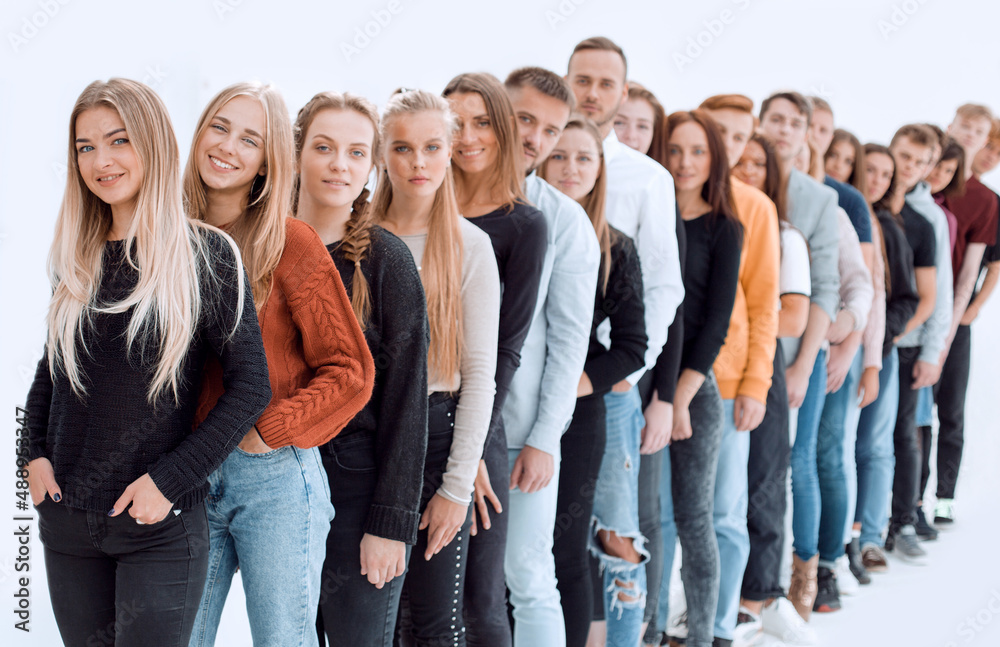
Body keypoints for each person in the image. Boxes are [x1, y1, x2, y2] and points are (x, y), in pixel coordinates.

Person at [25, 78, 273, 647]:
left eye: (118, 141)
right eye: (85, 147)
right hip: (68, 523)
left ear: (154, 144)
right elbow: (52, 369)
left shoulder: (207, 255)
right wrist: (31, 456)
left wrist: (169, 481)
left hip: (157, 525)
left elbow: (251, 387)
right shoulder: (75, 253)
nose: (101, 161)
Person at [184, 82, 376, 647]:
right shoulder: (167, 234)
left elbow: (350, 369)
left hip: (273, 480)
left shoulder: (291, 241)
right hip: (186, 475)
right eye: (219, 127)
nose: (228, 147)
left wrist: (270, 430)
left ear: (270, 161)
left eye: (251, 139)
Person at [293, 91, 430, 647]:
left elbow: (407, 402)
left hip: (356, 487)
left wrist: (389, 524)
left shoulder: (386, 261)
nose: (338, 165)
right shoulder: (258, 247)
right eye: (324, 147)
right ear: (296, 151)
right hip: (272, 484)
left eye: (355, 152)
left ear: (371, 166)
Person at [566, 37, 684, 647]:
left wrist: (626, 376)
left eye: (605, 83)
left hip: (608, 381)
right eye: (582, 79)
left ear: (623, 93)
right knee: (552, 534)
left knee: (616, 531)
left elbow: (664, 287)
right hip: (538, 379)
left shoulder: (646, 178)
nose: (591, 92)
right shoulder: (542, 165)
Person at [374, 88, 500, 647]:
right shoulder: (356, 240)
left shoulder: (471, 248)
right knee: (367, 616)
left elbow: (479, 378)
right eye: (402, 148)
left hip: (436, 442)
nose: (418, 162)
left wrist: (454, 486)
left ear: (450, 150)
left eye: (430, 147)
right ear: (382, 154)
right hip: (360, 440)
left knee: (432, 623)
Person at [441, 72, 548, 647]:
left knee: (480, 595)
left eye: (482, 122)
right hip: (406, 419)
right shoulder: (412, 210)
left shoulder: (523, 225)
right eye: (455, 122)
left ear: (503, 131)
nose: (468, 136)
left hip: (479, 419)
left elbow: (507, 347)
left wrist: (474, 445)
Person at [539, 115, 647, 647]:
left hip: (580, 411)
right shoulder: (522, 228)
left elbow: (632, 346)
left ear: (600, 168)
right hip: (511, 403)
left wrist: (572, 384)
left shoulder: (617, 246)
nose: (570, 168)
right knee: (516, 548)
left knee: (566, 546)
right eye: (559, 155)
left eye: (584, 157)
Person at [502, 67, 601, 647]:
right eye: (525, 119)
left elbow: (569, 344)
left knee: (529, 576)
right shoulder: (439, 196)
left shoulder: (564, 221)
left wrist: (545, 438)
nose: (537, 138)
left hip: (522, 435)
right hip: (439, 427)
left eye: (552, 129)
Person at [685, 94, 781, 647]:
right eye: (718, 131)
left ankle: (719, 627)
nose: (728, 144)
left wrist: (755, 384)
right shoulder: (667, 192)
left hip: (728, 379)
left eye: (739, 137)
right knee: (675, 515)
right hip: (667, 378)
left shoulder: (754, 207)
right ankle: (680, 617)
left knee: (722, 512)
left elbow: (765, 302)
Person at [729, 132, 817, 647]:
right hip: (712, 376)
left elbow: (793, 318)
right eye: (736, 162)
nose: (744, 171)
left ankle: (758, 598)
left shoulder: (785, 236)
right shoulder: (705, 225)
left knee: (762, 485)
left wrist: (733, 317)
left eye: (756, 164)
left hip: (762, 373)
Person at [758, 91, 841, 621]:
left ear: (808, 132)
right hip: (737, 351)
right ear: (759, 124)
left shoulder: (819, 199)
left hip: (794, 350)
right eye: (775, 120)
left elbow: (827, 288)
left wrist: (803, 363)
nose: (784, 130)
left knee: (793, 464)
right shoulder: (736, 180)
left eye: (794, 123)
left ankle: (797, 581)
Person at [612, 81, 683, 646]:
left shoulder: (652, 184)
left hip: (632, 380)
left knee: (634, 518)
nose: (630, 133)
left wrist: (647, 387)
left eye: (642, 125)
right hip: (577, 377)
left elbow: (670, 301)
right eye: (623, 121)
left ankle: (647, 628)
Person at [849, 143, 921, 579]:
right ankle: (849, 535)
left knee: (874, 445)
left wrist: (882, 335)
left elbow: (907, 298)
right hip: (842, 351)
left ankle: (871, 535)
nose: (875, 180)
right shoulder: (847, 215)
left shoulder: (890, 228)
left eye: (884, 174)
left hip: (880, 353)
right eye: (869, 170)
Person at [888, 124, 954, 562]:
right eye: (904, 156)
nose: (908, 166)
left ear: (929, 168)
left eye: (919, 161)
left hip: (908, 343)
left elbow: (940, 295)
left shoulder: (928, 218)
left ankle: (905, 519)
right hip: (871, 342)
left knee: (905, 434)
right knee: (872, 440)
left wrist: (933, 353)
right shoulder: (874, 200)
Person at [932, 104, 1000, 525]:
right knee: (909, 414)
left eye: (981, 132)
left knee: (949, 410)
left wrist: (971, 311)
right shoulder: (928, 180)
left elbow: (988, 266)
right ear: (950, 127)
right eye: (966, 128)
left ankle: (944, 498)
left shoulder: (986, 202)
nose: (972, 136)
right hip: (912, 312)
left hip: (955, 318)